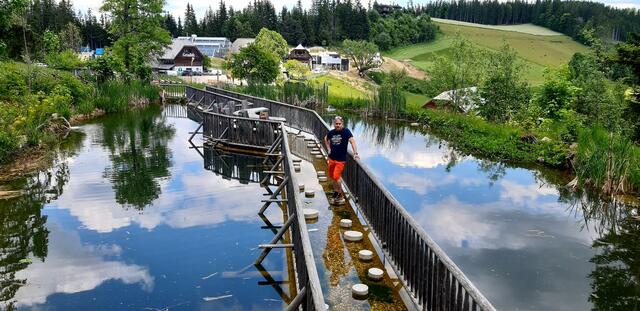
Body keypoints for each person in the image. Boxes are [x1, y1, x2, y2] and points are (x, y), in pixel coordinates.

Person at [324, 116, 359, 204]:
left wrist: (355, 153)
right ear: (334, 124)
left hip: (340, 160)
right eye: (336, 124)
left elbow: (352, 141)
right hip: (331, 158)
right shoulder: (331, 132)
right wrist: (328, 148)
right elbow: (326, 138)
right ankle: (336, 192)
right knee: (332, 176)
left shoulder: (346, 131)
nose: (338, 125)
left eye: (339, 124)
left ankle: (340, 194)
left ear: (342, 124)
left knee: (336, 176)